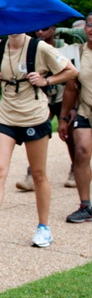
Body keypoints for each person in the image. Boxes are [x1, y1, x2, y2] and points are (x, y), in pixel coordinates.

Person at [0, 32, 77, 250]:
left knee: (38, 173)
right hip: (7, 116)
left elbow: (71, 70)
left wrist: (47, 80)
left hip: (34, 115)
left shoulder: (39, 48)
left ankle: (44, 227)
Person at [16, 24, 87, 190]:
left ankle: (74, 170)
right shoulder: (32, 47)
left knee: (69, 134)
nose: (40, 31)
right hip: (43, 96)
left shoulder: (65, 47)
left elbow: (73, 76)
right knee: (36, 134)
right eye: (38, 29)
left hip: (64, 94)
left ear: (54, 29)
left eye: (45, 28)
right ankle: (32, 174)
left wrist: (73, 106)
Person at [57, 12, 92, 223]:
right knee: (81, 152)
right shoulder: (78, 53)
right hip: (86, 111)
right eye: (89, 25)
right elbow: (71, 88)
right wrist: (63, 118)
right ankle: (85, 205)